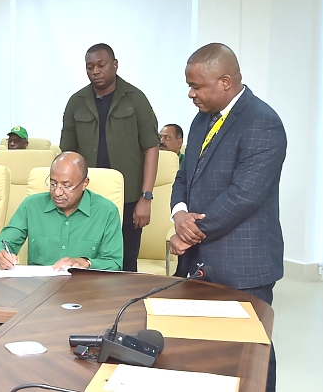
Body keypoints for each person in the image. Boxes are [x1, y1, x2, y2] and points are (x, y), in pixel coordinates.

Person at [169, 43, 286, 392]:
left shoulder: (263, 122)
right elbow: (183, 174)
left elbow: (243, 196)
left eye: (196, 86)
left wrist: (189, 232)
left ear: (224, 82)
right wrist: (179, 213)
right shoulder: (201, 119)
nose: (190, 94)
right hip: (198, 261)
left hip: (243, 266)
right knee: (204, 350)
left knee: (250, 353)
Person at [60, 43, 159, 272]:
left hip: (129, 198)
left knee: (126, 263)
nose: (95, 71)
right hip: (87, 198)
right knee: (86, 260)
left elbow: (151, 148)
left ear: (115, 65)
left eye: (101, 65)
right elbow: (67, 153)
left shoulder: (135, 98)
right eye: (90, 67)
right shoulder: (77, 101)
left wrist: (146, 197)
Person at [0, 152, 122, 270]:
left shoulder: (106, 211)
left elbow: (114, 263)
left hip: (84, 286)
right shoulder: (31, 206)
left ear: (84, 183)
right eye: (53, 184)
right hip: (39, 286)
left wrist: (84, 263)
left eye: (66, 186)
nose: (57, 192)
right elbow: (2, 243)